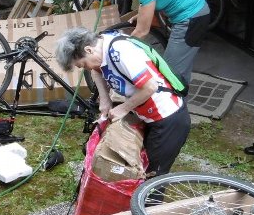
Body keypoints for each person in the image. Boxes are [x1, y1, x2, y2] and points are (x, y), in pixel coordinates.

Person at [55, 26, 191, 175]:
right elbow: (95, 70)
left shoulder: (121, 52)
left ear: (88, 50)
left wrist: (123, 108)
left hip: (168, 118)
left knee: (152, 177)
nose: (85, 68)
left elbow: (150, 87)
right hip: (148, 116)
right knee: (138, 168)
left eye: (83, 64)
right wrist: (105, 99)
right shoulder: (101, 49)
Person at [99, 0, 212, 88]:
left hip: (191, 19)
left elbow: (141, 32)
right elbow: (152, 1)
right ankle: (181, 100)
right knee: (181, 69)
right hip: (196, 14)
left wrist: (119, 49)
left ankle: (176, 106)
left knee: (171, 74)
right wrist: (141, 16)